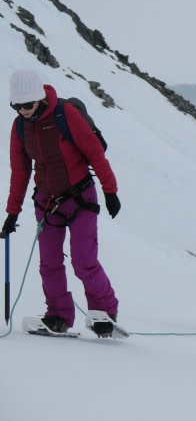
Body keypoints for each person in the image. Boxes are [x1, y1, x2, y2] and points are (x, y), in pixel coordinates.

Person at [1, 70, 121, 335]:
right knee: (49, 263)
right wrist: (12, 213)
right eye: (16, 106)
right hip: (47, 202)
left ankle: (104, 313)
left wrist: (110, 191)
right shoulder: (20, 126)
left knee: (84, 262)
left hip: (81, 199)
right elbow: (20, 171)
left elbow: (95, 154)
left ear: (40, 99)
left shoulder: (65, 114)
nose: (22, 111)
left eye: (27, 105)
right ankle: (58, 316)